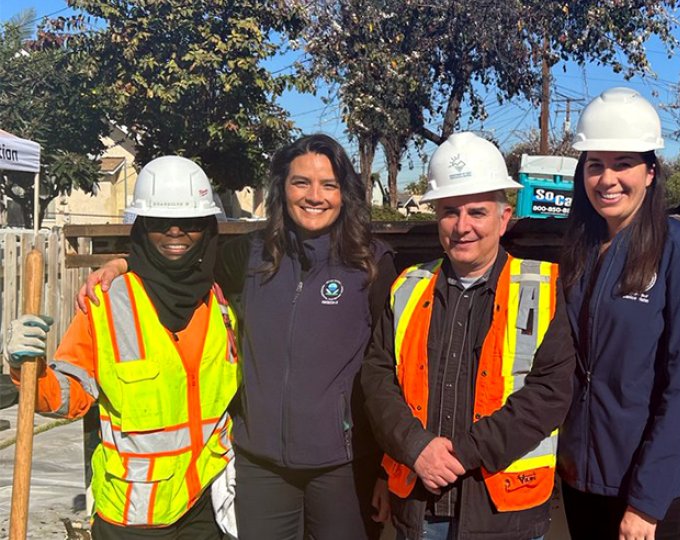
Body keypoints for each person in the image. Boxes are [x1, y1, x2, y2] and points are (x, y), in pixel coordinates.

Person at [78, 134, 395, 539]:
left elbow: (388, 368)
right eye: (301, 182)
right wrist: (126, 262)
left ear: (344, 193)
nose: (315, 196)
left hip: (343, 463)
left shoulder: (371, 264)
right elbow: (184, 262)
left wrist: (388, 468)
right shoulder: (249, 255)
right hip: (260, 464)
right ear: (282, 187)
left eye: (328, 185)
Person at [4, 156, 239, 538]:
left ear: (209, 228)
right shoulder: (107, 300)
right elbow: (70, 398)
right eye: (161, 223)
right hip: (132, 517)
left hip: (204, 507)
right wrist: (28, 368)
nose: (176, 232)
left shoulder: (221, 298)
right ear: (143, 229)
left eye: (191, 223)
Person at [362, 131, 576, 540]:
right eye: (449, 211)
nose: (463, 226)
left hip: (505, 514)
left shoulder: (545, 289)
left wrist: (461, 454)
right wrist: (415, 448)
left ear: (504, 217)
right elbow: (377, 377)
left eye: (477, 212)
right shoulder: (408, 286)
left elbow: (548, 395)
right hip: (419, 506)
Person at [557, 87, 680, 539]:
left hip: (653, 496)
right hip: (582, 483)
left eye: (623, 163)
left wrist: (646, 503)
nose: (607, 179)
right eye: (595, 165)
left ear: (650, 172)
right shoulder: (580, 251)